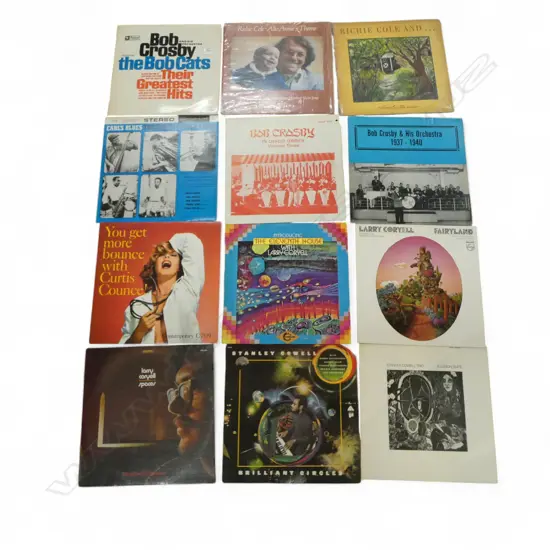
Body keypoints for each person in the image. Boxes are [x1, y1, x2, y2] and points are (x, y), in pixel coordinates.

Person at [120, 233, 205, 344]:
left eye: (173, 255)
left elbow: (192, 241)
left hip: (185, 356)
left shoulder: (188, 289)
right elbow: (123, 350)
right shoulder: (137, 305)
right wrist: (139, 332)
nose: (167, 257)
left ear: (179, 267)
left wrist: (168, 244)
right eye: (161, 255)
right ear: (154, 265)